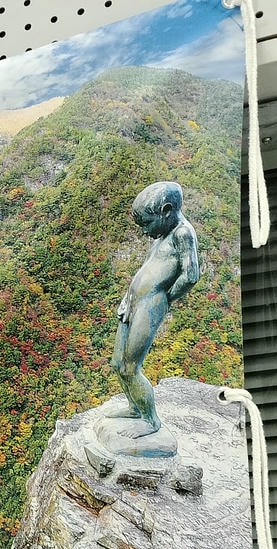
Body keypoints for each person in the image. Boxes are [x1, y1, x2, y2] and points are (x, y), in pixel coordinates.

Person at [112, 181, 200, 437]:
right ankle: (134, 408)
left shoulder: (183, 233)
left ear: (166, 210)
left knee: (131, 367)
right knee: (117, 363)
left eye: (147, 224)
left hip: (150, 304)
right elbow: (149, 268)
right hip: (133, 302)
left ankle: (150, 420)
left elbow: (191, 275)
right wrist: (129, 296)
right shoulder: (162, 233)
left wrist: (164, 298)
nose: (144, 231)